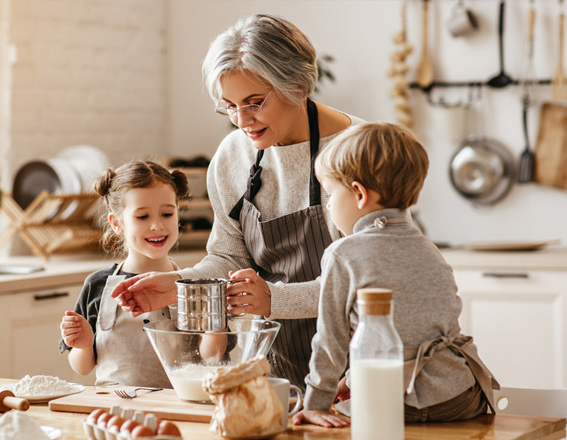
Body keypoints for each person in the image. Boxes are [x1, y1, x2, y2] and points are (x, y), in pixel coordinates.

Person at [111, 14, 365, 389]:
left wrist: (274, 300)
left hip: (358, 369)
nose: (242, 120)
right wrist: (180, 284)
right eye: (228, 105)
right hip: (274, 370)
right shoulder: (233, 156)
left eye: (254, 102)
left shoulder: (360, 149)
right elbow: (229, 258)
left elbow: (369, 279)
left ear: (295, 83)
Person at [293, 122, 498, 427]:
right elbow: (422, 328)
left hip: (394, 402)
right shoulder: (428, 248)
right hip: (461, 396)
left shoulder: (343, 253)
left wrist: (316, 403)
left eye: (330, 195)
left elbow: (331, 340)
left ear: (359, 194)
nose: (329, 206)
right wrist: (354, 377)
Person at [59, 160, 189, 388]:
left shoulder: (192, 284)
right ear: (117, 223)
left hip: (175, 409)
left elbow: (211, 357)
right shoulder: (97, 284)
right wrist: (84, 344)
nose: (157, 225)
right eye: (143, 217)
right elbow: (83, 368)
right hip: (113, 410)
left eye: (167, 214)